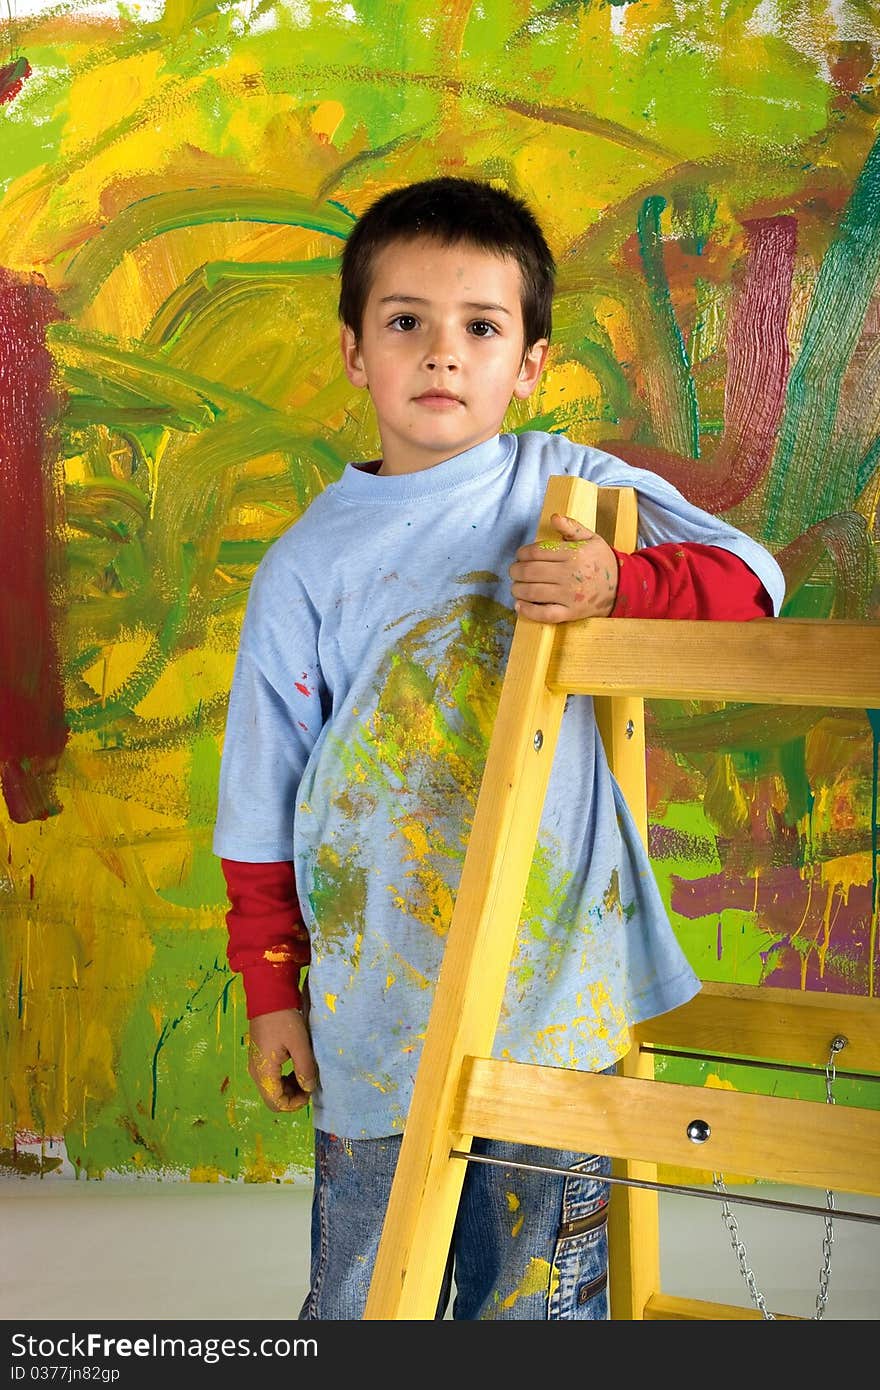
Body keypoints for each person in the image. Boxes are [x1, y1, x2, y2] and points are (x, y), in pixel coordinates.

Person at [212, 175, 785, 1321]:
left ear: (526, 363)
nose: (441, 353)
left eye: (480, 327)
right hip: (377, 997)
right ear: (353, 350)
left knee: (536, 1298)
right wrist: (272, 988)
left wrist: (620, 579)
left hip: (548, 985)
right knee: (368, 1291)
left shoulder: (566, 489)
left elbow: (754, 583)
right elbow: (259, 794)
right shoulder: (303, 562)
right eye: (405, 322)